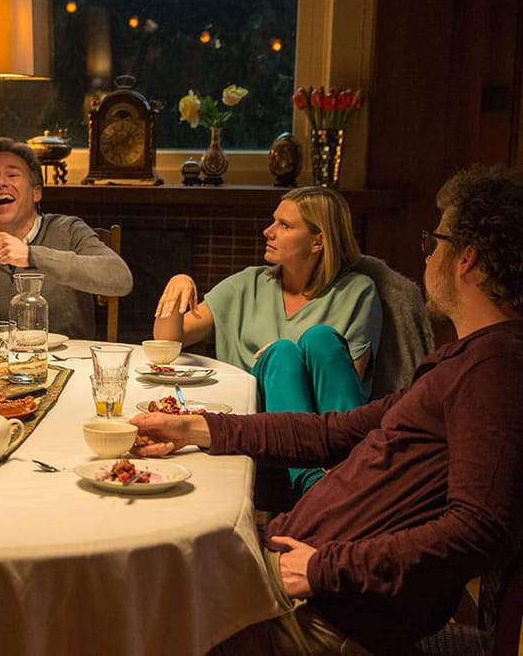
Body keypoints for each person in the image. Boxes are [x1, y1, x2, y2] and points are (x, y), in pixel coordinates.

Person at [131, 166, 523, 654]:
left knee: (127, 610)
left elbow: (481, 530)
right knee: (141, 574)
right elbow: (332, 431)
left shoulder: (496, 369)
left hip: (315, 615)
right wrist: (196, 427)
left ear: (467, 260)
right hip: (290, 576)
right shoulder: (462, 362)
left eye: (434, 241)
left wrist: (323, 569)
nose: (427, 254)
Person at [153, 187, 381, 493]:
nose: (268, 231)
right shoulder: (247, 284)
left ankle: (359, 474)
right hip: (259, 428)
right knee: (282, 352)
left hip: (336, 433)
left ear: (318, 241)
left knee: (320, 337)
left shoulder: (358, 291)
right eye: (274, 221)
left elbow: (349, 382)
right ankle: (314, 487)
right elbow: (167, 340)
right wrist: (177, 283)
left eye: (284, 225)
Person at [0, 137, 133, 339]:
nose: (1, 183)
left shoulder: (69, 231)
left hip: (71, 359)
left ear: (36, 193)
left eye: (12, 175)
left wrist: (31, 255)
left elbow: (121, 279)